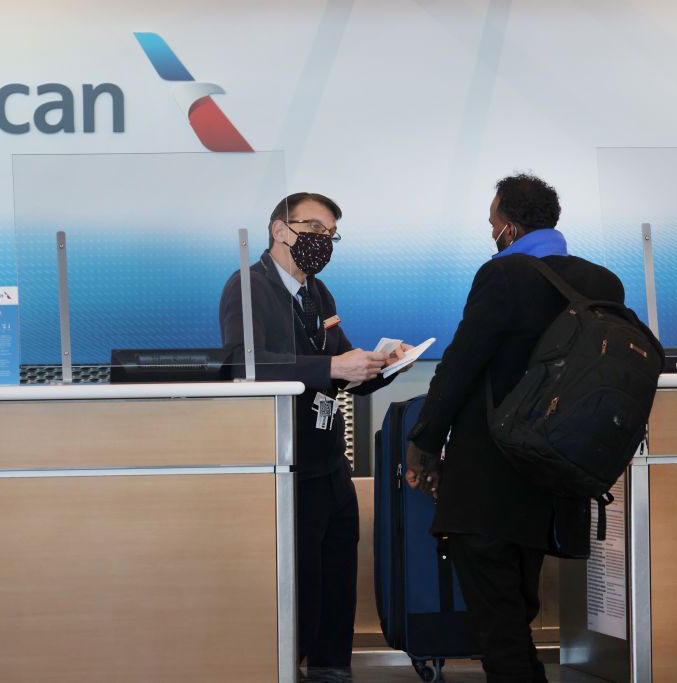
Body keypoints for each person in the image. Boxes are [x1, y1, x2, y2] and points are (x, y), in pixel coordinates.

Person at [404, 174, 626, 683]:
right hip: (558, 475)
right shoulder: (602, 281)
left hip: (491, 476)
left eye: (491, 223)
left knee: (497, 622)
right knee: (515, 612)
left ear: (508, 226)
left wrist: (423, 444)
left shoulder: (503, 277)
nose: (491, 233)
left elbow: (460, 366)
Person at [219, 192, 406, 678]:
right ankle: (288, 665)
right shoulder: (248, 285)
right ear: (280, 230)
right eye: (315, 229)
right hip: (286, 461)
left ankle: (330, 667)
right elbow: (243, 365)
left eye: (330, 234)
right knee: (300, 578)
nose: (323, 242)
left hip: (329, 460)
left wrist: (381, 367)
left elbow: (340, 368)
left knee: (338, 571)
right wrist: (332, 365)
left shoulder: (318, 293)